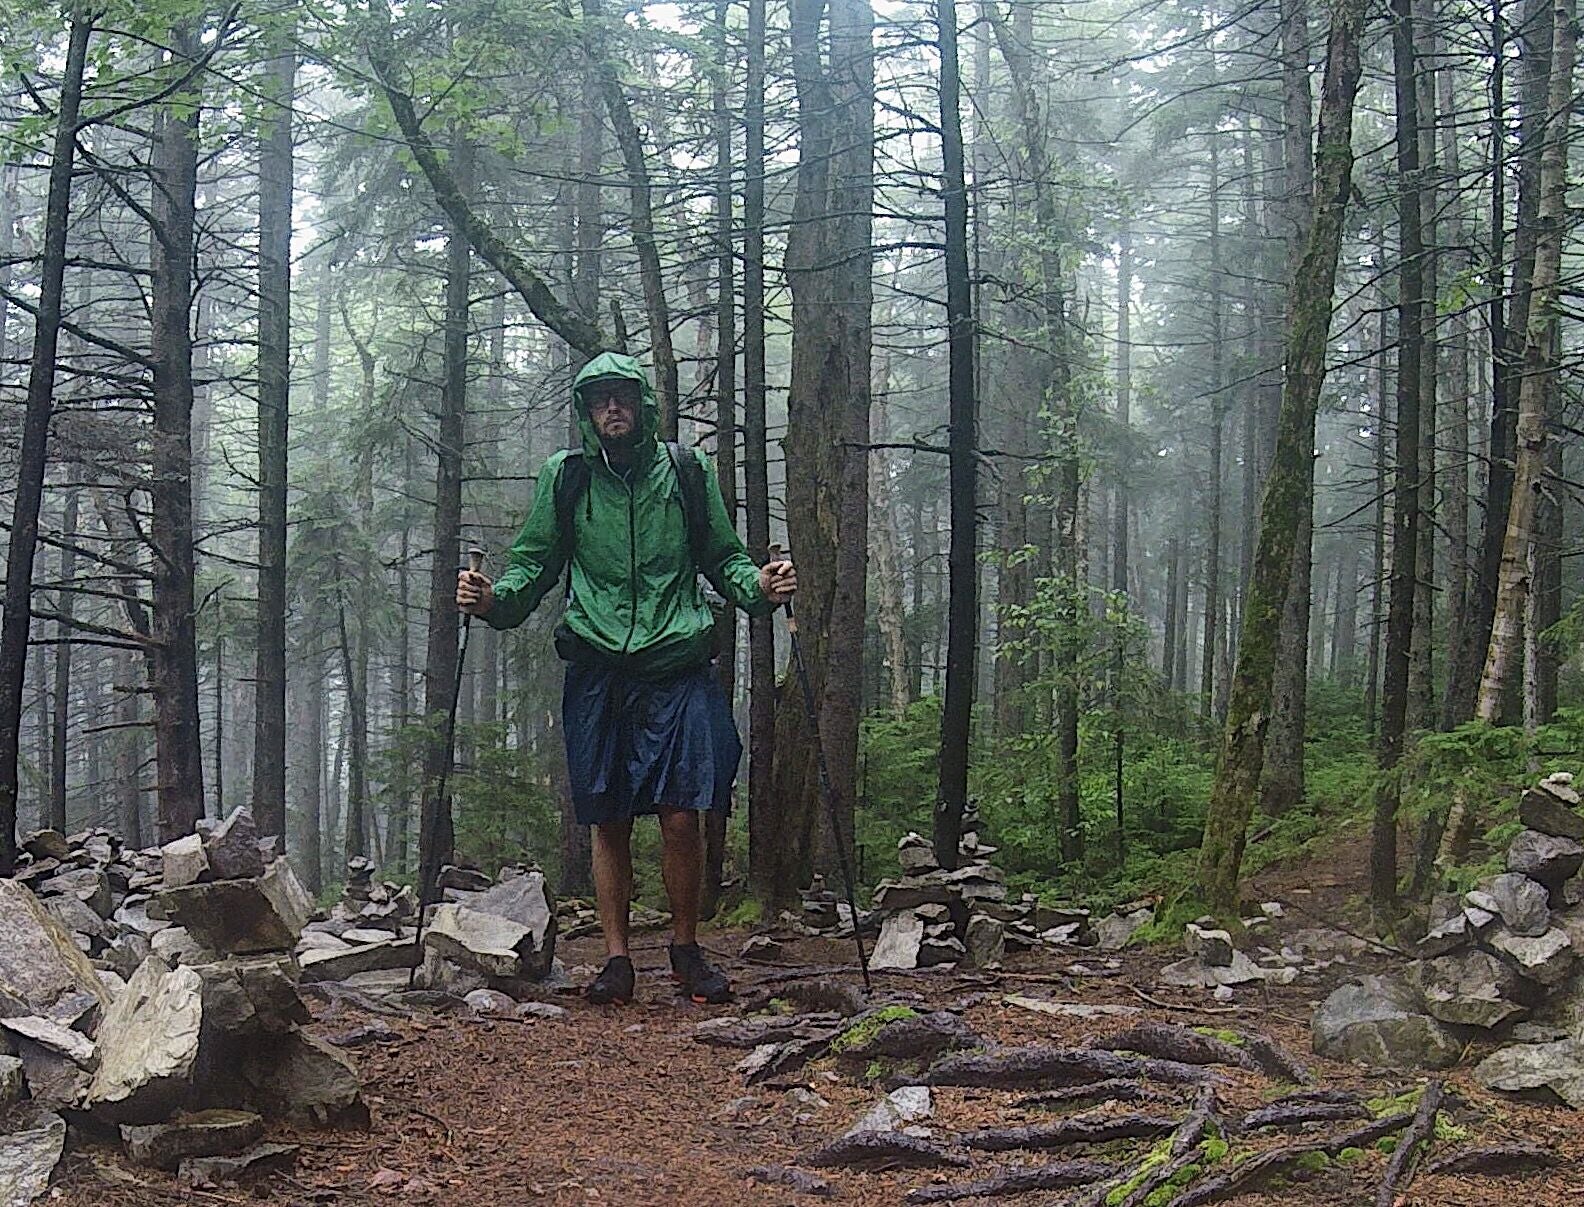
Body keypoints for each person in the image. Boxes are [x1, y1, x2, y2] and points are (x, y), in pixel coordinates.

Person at [455, 351, 795, 1005]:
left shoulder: (686, 471)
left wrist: (759, 586)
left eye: (622, 396)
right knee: (607, 816)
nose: (612, 407)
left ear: (642, 404)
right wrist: (494, 599)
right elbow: (534, 564)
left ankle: (686, 949)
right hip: (598, 666)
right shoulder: (568, 477)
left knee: (680, 814)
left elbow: (723, 558)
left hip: (677, 664)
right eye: (599, 399)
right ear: (587, 411)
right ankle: (616, 960)